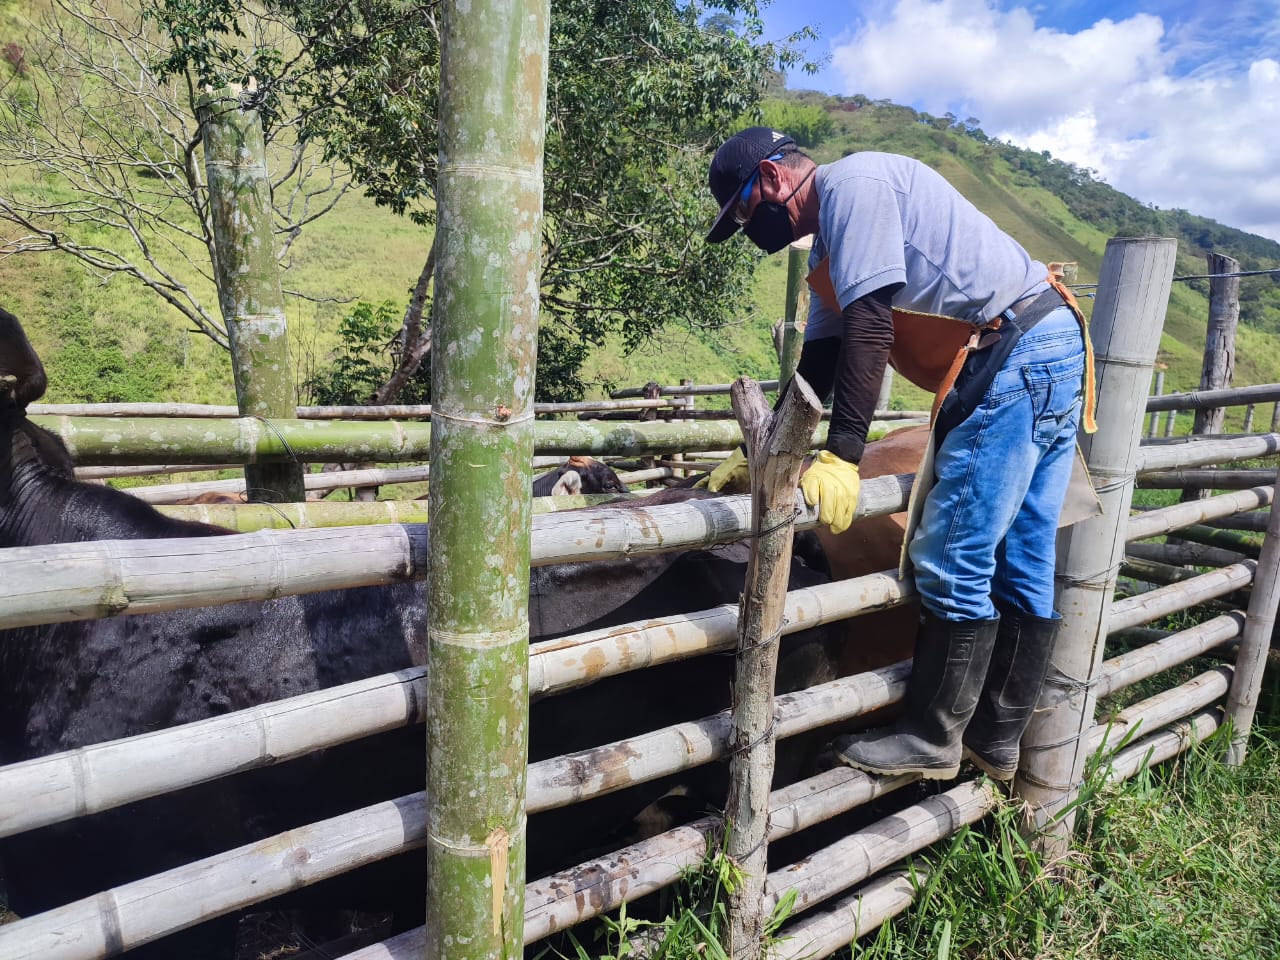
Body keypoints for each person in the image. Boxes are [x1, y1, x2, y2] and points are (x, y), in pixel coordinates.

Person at [701, 127, 1096, 781]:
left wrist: (844, 457)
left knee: (954, 553)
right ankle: (997, 735)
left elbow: (870, 325)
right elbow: (823, 353)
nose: (750, 229)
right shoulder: (837, 236)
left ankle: (933, 738)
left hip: (1013, 349)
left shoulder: (854, 188)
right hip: (1047, 336)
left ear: (771, 181)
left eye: (743, 212)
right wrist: (772, 445)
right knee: (1024, 550)